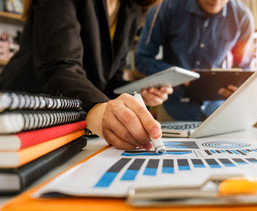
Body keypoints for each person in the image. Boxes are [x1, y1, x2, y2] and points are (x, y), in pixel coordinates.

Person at [0, 0, 173, 150]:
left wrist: (138, 96)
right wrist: (99, 108)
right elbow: (60, 66)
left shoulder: (132, 7)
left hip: (70, 122)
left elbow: (110, 78)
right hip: (23, 112)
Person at [135, 0, 255, 121]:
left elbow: (244, 66)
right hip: (174, 109)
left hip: (218, 112)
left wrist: (237, 87)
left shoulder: (242, 16)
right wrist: (179, 75)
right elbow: (142, 58)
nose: (217, 1)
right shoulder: (165, 8)